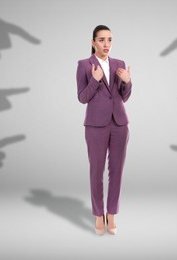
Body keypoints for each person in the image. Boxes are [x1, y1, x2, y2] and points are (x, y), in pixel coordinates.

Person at [76, 25, 132, 235]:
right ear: (93, 42)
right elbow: (82, 98)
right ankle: (99, 215)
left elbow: (123, 96)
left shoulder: (119, 64)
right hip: (95, 126)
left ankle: (112, 214)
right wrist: (95, 79)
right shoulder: (84, 65)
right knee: (96, 171)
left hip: (119, 124)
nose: (106, 44)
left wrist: (128, 82)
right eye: (101, 40)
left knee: (117, 171)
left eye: (109, 40)